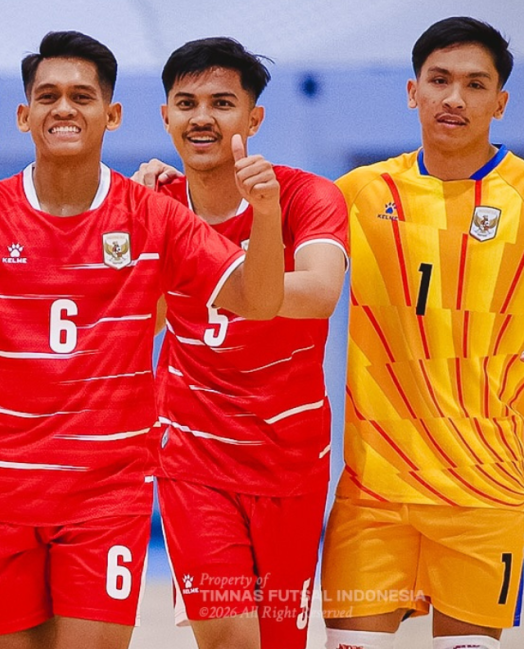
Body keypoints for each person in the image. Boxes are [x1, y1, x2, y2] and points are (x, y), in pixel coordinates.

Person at [0, 30, 286, 649]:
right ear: (24, 115)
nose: (64, 108)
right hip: (2, 498)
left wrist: (266, 215)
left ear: (111, 115)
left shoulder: (154, 215)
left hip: (105, 501)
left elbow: (262, 300)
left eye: (82, 96)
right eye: (49, 96)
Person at [321, 16, 524, 649]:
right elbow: (253, 244)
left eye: (475, 85)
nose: (455, 98)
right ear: (413, 91)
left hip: (485, 495)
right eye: (439, 80)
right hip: (373, 495)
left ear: (500, 102)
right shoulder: (359, 193)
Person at [137, 37, 348, 649]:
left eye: (222, 103)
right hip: (192, 456)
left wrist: (239, 249)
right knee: (230, 637)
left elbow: (319, 292)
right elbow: (145, 321)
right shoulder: (153, 208)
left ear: (253, 119)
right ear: (166, 117)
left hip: (290, 459)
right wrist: (140, 232)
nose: (202, 117)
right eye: (186, 103)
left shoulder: (306, 196)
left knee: (280, 641)